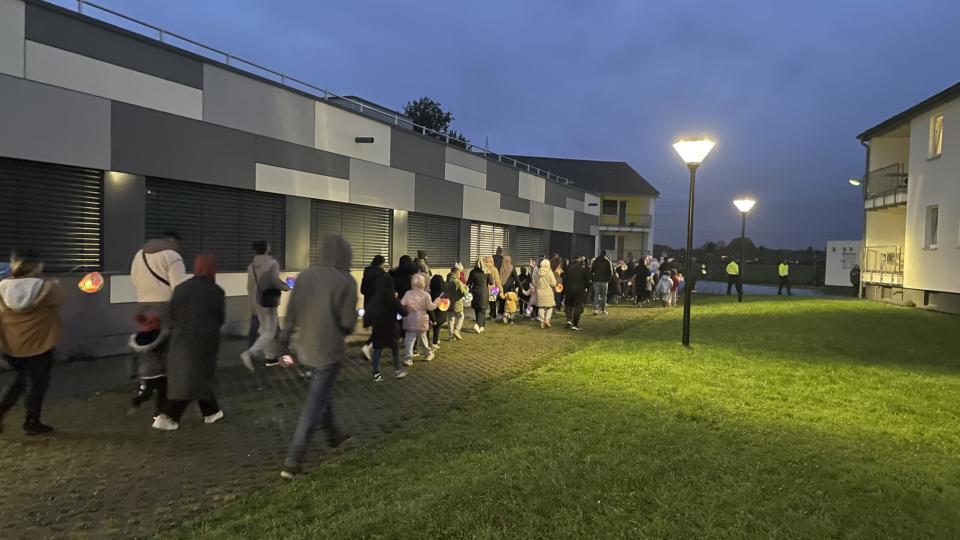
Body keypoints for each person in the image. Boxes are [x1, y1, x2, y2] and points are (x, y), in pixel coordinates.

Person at [278, 235, 357, 479]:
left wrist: (284, 344)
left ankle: (334, 434)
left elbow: (290, 314)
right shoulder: (345, 281)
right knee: (314, 403)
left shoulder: (305, 275)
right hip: (329, 350)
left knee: (322, 393)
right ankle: (293, 461)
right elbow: (347, 324)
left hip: (303, 349)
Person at [152, 254, 226, 431]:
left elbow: (171, 314)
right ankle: (169, 416)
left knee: (192, 377)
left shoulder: (181, 288)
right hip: (203, 342)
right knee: (194, 379)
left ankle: (211, 412)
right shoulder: (215, 291)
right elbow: (219, 318)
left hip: (180, 341)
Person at [0, 252, 64, 435]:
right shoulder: (48, 288)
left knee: (18, 380)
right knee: (38, 383)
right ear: (37, 266)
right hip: (40, 343)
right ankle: (32, 421)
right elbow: (61, 298)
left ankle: (1, 412)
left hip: (11, 344)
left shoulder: (2, 287)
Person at [242, 241, 290, 371]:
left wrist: (252, 301)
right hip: (268, 300)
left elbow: (249, 286)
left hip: (256, 300)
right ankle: (250, 352)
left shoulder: (251, 266)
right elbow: (273, 281)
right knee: (270, 331)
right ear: (266, 248)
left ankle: (270, 357)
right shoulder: (272, 264)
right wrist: (285, 287)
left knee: (264, 329)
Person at [130, 231, 186, 325]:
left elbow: (134, 280)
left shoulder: (140, 254)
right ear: (175, 242)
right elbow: (178, 286)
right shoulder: (173, 256)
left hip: (142, 302)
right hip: (164, 304)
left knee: (146, 334)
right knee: (165, 334)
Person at [364, 274, 407, 382]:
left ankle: (376, 373)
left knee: (377, 351)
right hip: (391, 328)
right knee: (395, 350)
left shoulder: (375, 298)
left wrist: (366, 323)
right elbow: (403, 312)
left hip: (378, 328)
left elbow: (369, 312)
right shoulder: (393, 298)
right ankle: (398, 370)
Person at [128, 311, 168, 418]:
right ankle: (158, 414)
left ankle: (139, 399)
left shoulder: (135, 339)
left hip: (145, 372)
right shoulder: (160, 336)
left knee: (149, 390)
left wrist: (133, 371)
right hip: (160, 370)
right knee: (162, 393)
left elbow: (133, 358)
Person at [401, 273, 437, 364]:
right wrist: (437, 302)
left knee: (409, 338)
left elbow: (401, 304)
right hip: (422, 319)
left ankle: (408, 358)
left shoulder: (408, 293)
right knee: (423, 338)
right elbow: (430, 307)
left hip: (409, 319)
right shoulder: (426, 295)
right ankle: (428, 354)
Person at [359, 255, 388, 361]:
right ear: (381, 263)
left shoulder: (366, 273)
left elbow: (362, 290)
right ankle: (367, 346)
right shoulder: (382, 274)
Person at [563, 256, 590, 331]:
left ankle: (569, 320)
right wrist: (587, 288)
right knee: (577, 307)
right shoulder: (584, 269)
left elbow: (564, 279)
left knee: (568, 305)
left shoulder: (568, 269)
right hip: (579, 291)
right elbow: (588, 281)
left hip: (568, 290)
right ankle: (575, 325)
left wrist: (564, 289)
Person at [444, 265, 468, 340]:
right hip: (457, 303)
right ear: (458, 273)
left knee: (451, 319)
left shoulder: (447, 281)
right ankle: (457, 330)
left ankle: (450, 336)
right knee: (461, 316)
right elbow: (464, 292)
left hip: (449, 303)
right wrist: (466, 288)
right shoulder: (458, 282)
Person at [468, 259, 492, 333]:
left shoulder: (472, 272)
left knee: (477, 308)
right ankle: (478, 324)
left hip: (475, 291)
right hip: (484, 292)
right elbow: (491, 282)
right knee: (482, 309)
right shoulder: (487, 272)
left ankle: (482, 326)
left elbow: (469, 282)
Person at [535, 259, 558, 329]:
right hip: (548, 292)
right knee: (550, 307)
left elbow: (534, 282)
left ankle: (542, 322)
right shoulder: (550, 272)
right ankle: (547, 319)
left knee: (541, 307)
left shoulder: (537, 272)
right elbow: (554, 283)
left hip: (540, 292)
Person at [591, 250, 613, 315]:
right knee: (604, 296)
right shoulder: (607, 262)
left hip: (596, 281)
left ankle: (595, 310)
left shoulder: (595, 261)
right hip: (604, 281)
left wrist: (593, 278)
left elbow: (591, 270)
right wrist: (609, 279)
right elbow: (611, 272)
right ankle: (603, 310)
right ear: (605, 254)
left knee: (596, 295)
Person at [428, 272, 446, 349]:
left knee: (427, 330)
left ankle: (427, 341)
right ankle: (435, 342)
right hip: (440, 314)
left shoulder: (430, 293)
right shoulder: (443, 293)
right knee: (437, 328)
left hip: (431, 313)